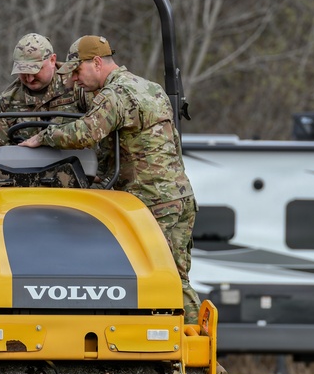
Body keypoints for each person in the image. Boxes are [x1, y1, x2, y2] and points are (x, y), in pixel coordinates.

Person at [19, 35, 202, 324]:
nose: (76, 79)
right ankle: (200, 351)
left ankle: (171, 348)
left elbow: (85, 133)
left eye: (78, 72)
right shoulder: (150, 88)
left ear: (96, 63)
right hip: (179, 197)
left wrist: (43, 136)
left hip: (151, 202)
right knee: (177, 280)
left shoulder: (114, 95)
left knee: (148, 279)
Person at [0, 32, 89, 150]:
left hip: (75, 164)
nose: (29, 79)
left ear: (52, 60)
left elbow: (97, 126)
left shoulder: (79, 85)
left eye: (35, 70)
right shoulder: (7, 101)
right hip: (25, 166)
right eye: (23, 72)